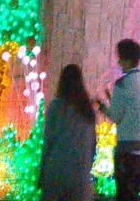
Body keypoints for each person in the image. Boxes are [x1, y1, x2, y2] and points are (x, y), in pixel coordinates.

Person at [97, 40, 140, 201]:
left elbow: (116, 116)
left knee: (124, 195)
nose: (119, 62)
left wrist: (103, 107)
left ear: (127, 60)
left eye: (120, 58)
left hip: (127, 152)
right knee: (134, 193)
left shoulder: (122, 84)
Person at [39, 63, 97, 201]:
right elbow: (93, 144)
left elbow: (48, 141)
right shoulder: (87, 110)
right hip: (80, 173)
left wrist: (42, 171)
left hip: (57, 169)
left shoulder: (56, 107)